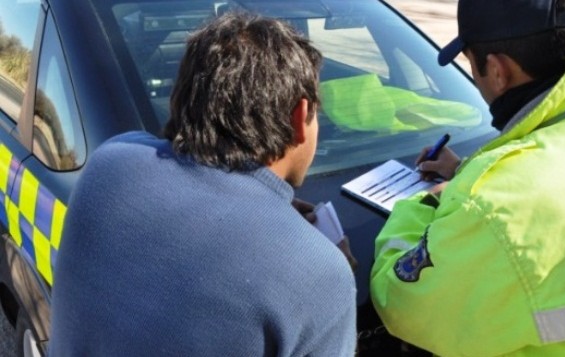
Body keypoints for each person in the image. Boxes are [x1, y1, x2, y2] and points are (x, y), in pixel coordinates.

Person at [370, 0, 565, 355]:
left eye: (472, 64)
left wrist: (425, 202)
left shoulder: (498, 208)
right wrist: (471, 171)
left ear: (499, 71)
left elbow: (403, 307)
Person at [49, 13, 356, 356]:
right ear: (300, 118)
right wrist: (328, 266)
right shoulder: (320, 276)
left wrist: (274, 224)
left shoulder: (110, 161)